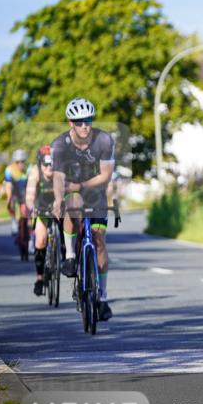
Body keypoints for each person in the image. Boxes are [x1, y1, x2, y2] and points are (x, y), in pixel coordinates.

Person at [51, 98, 116, 321]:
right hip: (72, 191)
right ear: (71, 122)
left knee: (99, 243)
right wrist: (58, 199)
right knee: (73, 202)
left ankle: (103, 298)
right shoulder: (60, 144)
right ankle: (70, 255)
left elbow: (106, 174)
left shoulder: (104, 140)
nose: (84, 126)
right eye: (79, 122)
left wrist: (83, 185)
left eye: (88, 121)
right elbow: (59, 177)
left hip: (96, 193)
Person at [25, 146, 59, 296]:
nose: (49, 167)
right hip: (41, 208)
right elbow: (30, 195)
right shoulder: (35, 172)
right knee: (41, 240)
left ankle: (67, 256)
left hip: (57, 207)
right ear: (40, 164)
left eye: (52, 163)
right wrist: (32, 208)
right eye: (46, 164)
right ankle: (39, 278)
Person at [3, 149, 29, 236]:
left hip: (24, 192)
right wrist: (9, 198)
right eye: (18, 162)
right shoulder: (9, 170)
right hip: (14, 191)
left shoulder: (28, 169)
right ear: (15, 162)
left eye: (22, 161)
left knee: (26, 211)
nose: (20, 163)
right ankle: (13, 220)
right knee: (11, 201)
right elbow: (8, 186)